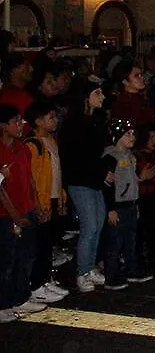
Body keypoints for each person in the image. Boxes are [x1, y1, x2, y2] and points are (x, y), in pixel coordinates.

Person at [0, 105, 53, 322]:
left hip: (26, 209)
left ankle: (20, 297)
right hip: (6, 215)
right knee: (6, 261)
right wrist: (15, 216)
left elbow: (29, 179)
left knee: (26, 255)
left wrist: (37, 206)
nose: (21, 125)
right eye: (15, 121)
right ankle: (3, 303)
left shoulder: (22, 148)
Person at [59, 81, 110, 292]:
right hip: (81, 180)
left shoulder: (94, 120)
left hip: (94, 179)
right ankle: (82, 271)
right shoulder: (75, 124)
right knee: (89, 226)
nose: (102, 97)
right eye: (97, 93)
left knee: (98, 223)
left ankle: (89, 267)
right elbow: (80, 156)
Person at [23, 102, 69, 303]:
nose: (55, 120)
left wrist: (61, 197)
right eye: (50, 117)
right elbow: (32, 178)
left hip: (53, 197)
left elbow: (57, 173)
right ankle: (36, 285)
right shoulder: (33, 144)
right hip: (42, 200)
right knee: (39, 244)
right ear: (38, 121)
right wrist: (39, 204)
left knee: (48, 242)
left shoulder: (51, 140)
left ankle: (45, 280)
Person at [101, 121, 154, 289]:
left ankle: (132, 270)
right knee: (114, 242)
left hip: (130, 204)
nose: (132, 137)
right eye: (127, 134)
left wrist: (136, 202)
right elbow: (107, 186)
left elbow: (131, 182)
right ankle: (111, 276)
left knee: (130, 240)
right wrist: (110, 209)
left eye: (133, 134)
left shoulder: (131, 157)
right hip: (118, 206)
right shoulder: (111, 157)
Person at [133, 126, 155, 266]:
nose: (154, 141)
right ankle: (140, 254)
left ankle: (151, 252)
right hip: (139, 195)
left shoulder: (154, 155)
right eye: (151, 137)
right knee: (141, 226)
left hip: (151, 193)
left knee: (151, 223)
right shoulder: (137, 155)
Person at [0, 55, 34, 121]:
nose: (31, 69)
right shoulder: (20, 96)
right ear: (14, 70)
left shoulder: (4, 92)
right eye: (27, 65)